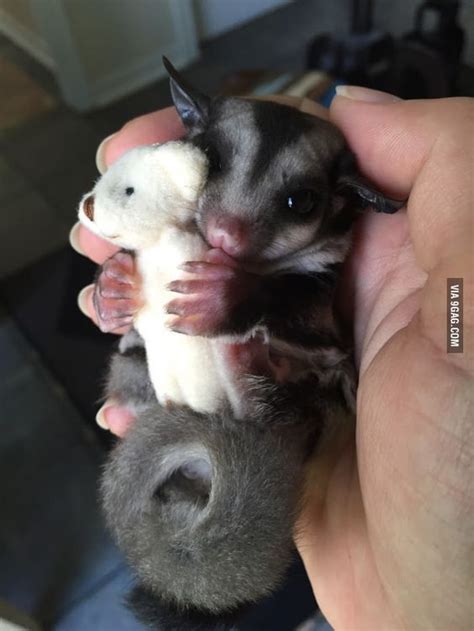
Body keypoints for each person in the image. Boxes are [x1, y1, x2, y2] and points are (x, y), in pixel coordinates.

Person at [70, 88, 473, 630]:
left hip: (268, 429)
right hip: (192, 425)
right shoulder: (170, 213)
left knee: (312, 384)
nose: (228, 230)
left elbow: (327, 339)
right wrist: (117, 290)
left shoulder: (330, 273)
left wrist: (458, 316)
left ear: (344, 200)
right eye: (216, 167)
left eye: (295, 203)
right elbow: (139, 303)